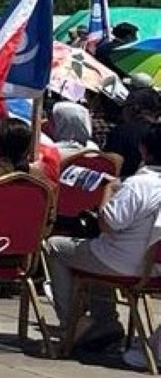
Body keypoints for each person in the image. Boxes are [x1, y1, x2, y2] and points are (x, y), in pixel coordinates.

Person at [46, 123, 161, 359]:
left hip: (121, 262)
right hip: (152, 267)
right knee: (91, 252)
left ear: (143, 150)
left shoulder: (139, 185)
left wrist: (109, 189)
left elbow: (108, 224)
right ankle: (104, 320)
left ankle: (72, 323)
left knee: (54, 246)